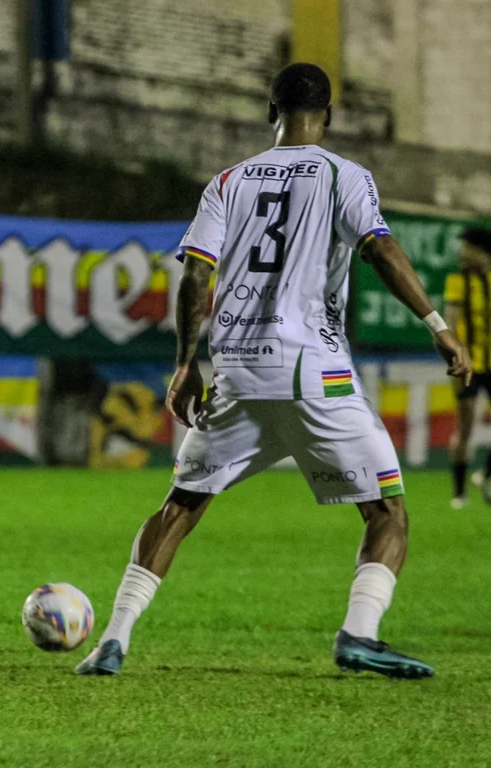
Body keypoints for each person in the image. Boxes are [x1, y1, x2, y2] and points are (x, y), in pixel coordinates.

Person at [75, 64, 471, 680]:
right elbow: (380, 249)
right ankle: (358, 635)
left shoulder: (228, 181)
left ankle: (113, 641)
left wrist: (184, 364)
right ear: (329, 116)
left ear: (271, 111)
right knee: (387, 511)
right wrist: (437, 326)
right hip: (314, 372)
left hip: (237, 370)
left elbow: (197, 274)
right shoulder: (346, 176)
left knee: (180, 506)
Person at [443, 228, 491, 508]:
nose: (462, 252)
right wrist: (455, 354)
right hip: (467, 365)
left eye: (467, 247)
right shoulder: (457, 280)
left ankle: (484, 473)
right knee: (465, 427)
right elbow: (451, 319)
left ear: (480, 250)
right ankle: (459, 493)